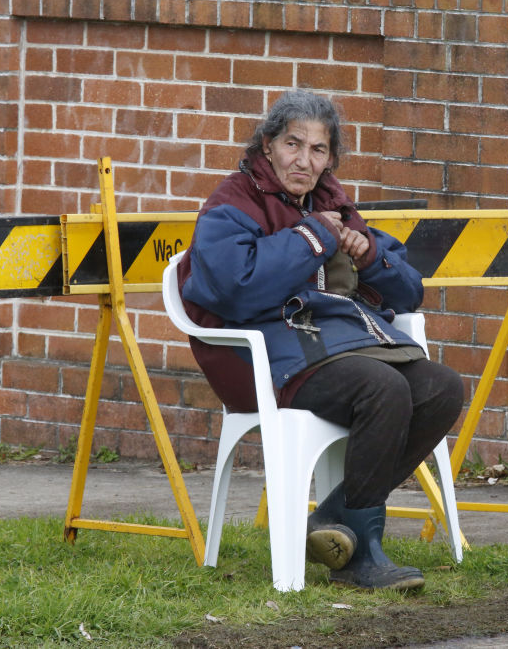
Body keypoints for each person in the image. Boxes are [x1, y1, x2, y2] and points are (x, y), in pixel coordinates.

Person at [177, 90, 463, 591]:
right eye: (292, 144)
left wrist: (371, 254)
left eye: (317, 150)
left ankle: (334, 521)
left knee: (442, 387)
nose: (303, 160)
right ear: (267, 145)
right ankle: (361, 560)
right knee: (384, 390)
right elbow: (234, 289)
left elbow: (411, 290)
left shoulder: (333, 202)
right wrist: (313, 239)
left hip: (341, 347)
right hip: (269, 360)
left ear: (330, 158)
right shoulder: (231, 203)